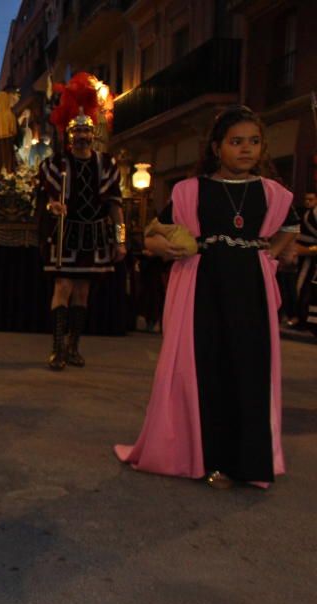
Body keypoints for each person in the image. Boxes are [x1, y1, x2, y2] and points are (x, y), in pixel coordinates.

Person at [115, 106, 299, 489]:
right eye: (236, 142)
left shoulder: (272, 193)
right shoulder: (190, 191)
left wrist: (271, 254)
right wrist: (171, 249)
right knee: (208, 370)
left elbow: (292, 226)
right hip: (203, 290)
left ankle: (249, 463)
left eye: (253, 142)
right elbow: (152, 237)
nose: (246, 149)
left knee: (250, 371)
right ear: (217, 147)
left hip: (251, 291)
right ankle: (211, 461)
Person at [39, 110, 125, 370]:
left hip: (94, 235)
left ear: (93, 134)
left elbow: (115, 206)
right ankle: (57, 349)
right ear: (69, 136)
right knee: (62, 287)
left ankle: (73, 346)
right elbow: (44, 199)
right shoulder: (56, 165)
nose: (82, 137)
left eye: (86, 131)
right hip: (66, 233)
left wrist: (120, 240)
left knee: (82, 292)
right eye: (77, 132)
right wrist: (52, 207)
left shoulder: (106, 164)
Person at [288, 190, 316, 328]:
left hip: (310, 260)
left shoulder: (314, 214)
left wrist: (307, 250)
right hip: (304, 258)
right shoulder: (307, 214)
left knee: (304, 288)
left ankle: (302, 319)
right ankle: (300, 318)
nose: (307, 202)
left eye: (311, 199)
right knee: (300, 288)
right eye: (306, 199)